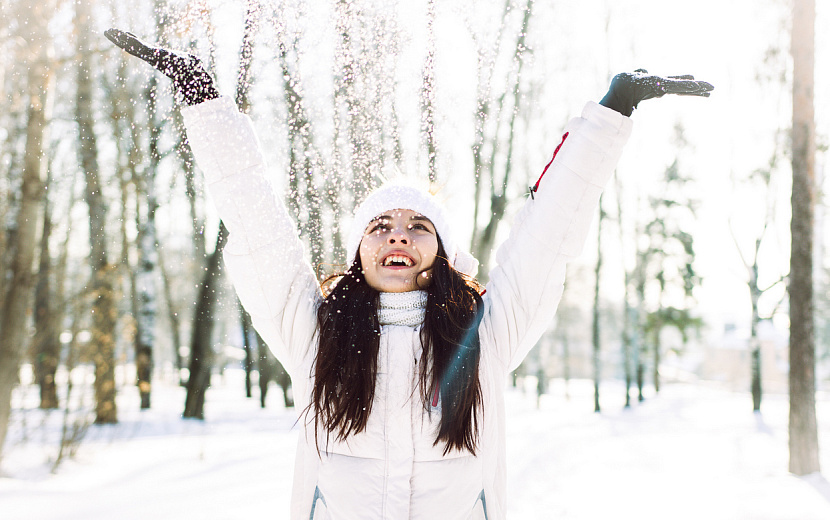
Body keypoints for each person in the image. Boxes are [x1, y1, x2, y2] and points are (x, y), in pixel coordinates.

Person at [105, 29, 712, 520]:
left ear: (442, 250)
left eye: (418, 225)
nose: (398, 234)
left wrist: (611, 114)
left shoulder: (487, 333)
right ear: (360, 250)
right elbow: (258, 224)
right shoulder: (314, 333)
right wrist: (206, 104)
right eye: (380, 226)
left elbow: (548, 233)